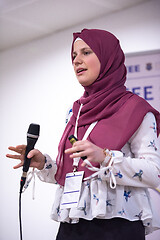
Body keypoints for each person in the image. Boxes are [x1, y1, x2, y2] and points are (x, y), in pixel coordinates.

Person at [7, 28, 160, 240]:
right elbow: (74, 171)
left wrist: (106, 157)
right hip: (72, 221)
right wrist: (43, 163)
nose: (77, 60)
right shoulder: (76, 111)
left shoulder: (135, 109)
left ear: (108, 57)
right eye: (73, 55)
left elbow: (154, 173)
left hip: (116, 224)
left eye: (86, 52)